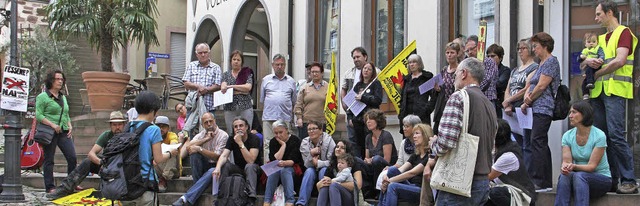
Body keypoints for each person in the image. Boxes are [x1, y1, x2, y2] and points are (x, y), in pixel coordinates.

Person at [584, 1, 638, 194]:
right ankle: (614, 180)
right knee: (603, 138)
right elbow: (585, 65)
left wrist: (597, 73)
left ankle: (629, 180)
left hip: (615, 90)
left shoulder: (624, 33)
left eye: (599, 14)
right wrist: (587, 61)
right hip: (599, 91)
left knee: (615, 135)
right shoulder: (600, 38)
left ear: (609, 13)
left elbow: (620, 60)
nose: (596, 18)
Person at [428, 57, 498, 205]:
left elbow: (446, 142)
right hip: (483, 181)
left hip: (458, 183)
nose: (454, 79)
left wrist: (434, 144)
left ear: (464, 73)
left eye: (456, 75)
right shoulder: (489, 104)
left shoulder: (459, 97)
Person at [45, 111, 127, 199]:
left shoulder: (129, 135)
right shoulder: (106, 135)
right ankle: (64, 189)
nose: (117, 127)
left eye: (119, 124)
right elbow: (91, 154)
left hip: (124, 168)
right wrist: (101, 163)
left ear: (124, 125)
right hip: (107, 166)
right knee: (87, 162)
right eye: (114, 125)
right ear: (110, 125)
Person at [122, 91, 178, 205]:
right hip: (145, 182)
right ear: (153, 110)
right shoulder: (153, 129)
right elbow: (158, 158)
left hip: (126, 182)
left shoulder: (128, 126)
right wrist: (171, 153)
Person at [521, 32, 561, 192]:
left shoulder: (551, 61)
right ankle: (542, 179)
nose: (534, 50)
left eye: (536, 46)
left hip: (543, 108)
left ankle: (541, 181)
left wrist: (528, 100)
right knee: (537, 142)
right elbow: (531, 84)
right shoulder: (541, 63)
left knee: (537, 141)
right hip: (534, 108)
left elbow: (542, 85)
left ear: (545, 46)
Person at [554, 101, 612, 206]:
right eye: (570, 112)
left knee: (579, 176)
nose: (570, 116)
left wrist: (574, 166)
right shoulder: (567, 136)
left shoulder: (599, 135)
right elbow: (566, 161)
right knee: (564, 176)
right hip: (578, 181)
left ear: (584, 114)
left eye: (574, 112)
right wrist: (565, 167)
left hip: (601, 180)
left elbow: (591, 167)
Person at [173, 112, 228, 206]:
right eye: (206, 122)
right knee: (194, 154)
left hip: (219, 167)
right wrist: (205, 139)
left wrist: (199, 148)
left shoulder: (223, 135)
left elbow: (217, 156)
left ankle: (186, 197)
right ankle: (197, 188)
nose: (209, 124)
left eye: (211, 121)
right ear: (202, 125)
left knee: (210, 168)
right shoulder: (202, 134)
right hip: (205, 166)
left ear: (215, 121)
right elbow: (188, 147)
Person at [37, 70, 76, 194]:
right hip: (49, 132)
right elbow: (38, 115)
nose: (60, 81)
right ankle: (50, 187)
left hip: (64, 131)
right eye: (57, 79)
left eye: (61, 79)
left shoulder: (62, 97)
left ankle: (70, 184)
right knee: (49, 159)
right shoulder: (43, 97)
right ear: (51, 81)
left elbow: (65, 113)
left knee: (72, 157)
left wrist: (69, 125)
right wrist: (52, 125)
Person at [379, 124, 433, 206]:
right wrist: (386, 177)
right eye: (414, 134)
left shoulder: (429, 156)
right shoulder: (415, 155)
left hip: (420, 190)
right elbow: (400, 170)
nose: (414, 136)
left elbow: (412, 173)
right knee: (392, 171)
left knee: (392, 186)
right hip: (410, 185)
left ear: (425, 135)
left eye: (417, 133)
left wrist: (390, 181)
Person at [486, 119, 536, 206]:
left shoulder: (508, 156)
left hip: (524, 198)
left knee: (494, 193)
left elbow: (488, 176)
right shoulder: (497, 151)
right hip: (509, 194)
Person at [212, 117, 261, 199]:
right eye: (235, 126)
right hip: (239, 169)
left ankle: (251, 196)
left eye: (241, 126)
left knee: (249, 166)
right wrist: (217, 168)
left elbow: (251, 160)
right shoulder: (231, 139)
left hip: (254, 170)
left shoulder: (254, 138)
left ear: (246, 127)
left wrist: (240, 143)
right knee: (225, 165)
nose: (238, 128)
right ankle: (221, 194)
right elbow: (224, 156)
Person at [261, 54, 297, 164]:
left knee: (285, 142)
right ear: (272, 65)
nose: (279, 67)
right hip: (269, 117)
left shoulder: (291, 81)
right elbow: (262, 99)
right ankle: (268, 171)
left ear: (285, 65)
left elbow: (294, 100)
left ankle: (284, 166)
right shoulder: (266, 80)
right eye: (277, 65)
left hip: (284, 118)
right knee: (268, 144)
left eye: (282, 64)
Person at [502, 38, 538, 147]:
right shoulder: (515, 70)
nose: (520, 51)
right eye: (519, 48)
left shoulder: (534, 67)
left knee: (527, 142)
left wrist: (509, 100)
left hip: (523, 109)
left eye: (524, 48)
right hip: (511, 110)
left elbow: (526, 88)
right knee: (515, 142)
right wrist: (507, 103)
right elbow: (508, 88)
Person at [263, 120, 303, 206]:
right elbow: (274, 160)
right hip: (277, 168)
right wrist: (283, 145)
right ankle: (267, 201)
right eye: (276, 133)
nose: (278, 135)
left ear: (287, 130)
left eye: (281, 132)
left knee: (285, 170)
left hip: (292, 169)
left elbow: (293, 161)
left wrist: (283, 163)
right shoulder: (273, 141)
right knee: (274, 171)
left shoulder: (295, 140)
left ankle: (290, 201)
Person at [296, 121, 336, 206]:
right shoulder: (304, 142)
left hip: (326, 168)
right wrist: (311, 153)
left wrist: (319, 163)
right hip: (311, 168)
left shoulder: (329, 140)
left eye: (314, 128)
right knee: (309, 172)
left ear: (321, 131)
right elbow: (306, 165)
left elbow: (332, 162)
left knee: (323, 171)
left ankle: (324, 202)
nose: (311, 131)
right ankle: (301, 203)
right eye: (309, 129)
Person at [316, 139, 365, 206]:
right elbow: (324, 184)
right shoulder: (332, 165)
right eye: (337, 147)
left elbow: (358, 186)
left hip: (351, 197)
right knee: (324, 187)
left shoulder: (354, 163)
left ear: (347, 151)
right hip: (334, 196)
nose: (338, 149)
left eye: (342, 148)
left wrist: (337, 183)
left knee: (334, 186)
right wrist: (319, 184)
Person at [349, 61, 383, 158]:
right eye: (364, 68)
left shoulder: (376, 84)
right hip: (358, 120)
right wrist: (350, 117)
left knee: (369, 144)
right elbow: (350, 103)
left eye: (369, 69)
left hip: (370, 120)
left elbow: (377, 100)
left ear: (373, 72)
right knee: (358, 145)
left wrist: (363, 98)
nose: (366, 71)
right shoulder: (358, 85)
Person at [341, 47, 369, 154]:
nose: (356, 59)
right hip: (352, 111)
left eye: (358, 57)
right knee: (353, 140)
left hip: (367, 111)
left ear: (365, 57)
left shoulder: (374, 71)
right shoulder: (349, 73)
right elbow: (343, 89)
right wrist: (344, 104)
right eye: (354, 58)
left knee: (368, 139)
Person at [363, 109, 397, 196]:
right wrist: (368, 160)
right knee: (357, 161)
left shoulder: (386, 135)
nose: (368, 122)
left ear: (378, 121)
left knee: (377, 159)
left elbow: (387, 159)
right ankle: (366, 190)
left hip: (387, 166)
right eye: (367, 120)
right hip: (372, 165)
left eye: (371, 119)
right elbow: (366, 158)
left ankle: (378, 190)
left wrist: (372, 159)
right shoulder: (368, 137)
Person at [221, 50, 255, 134]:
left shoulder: (246, 73)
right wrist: (241, 91)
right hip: (230, 107)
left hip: (245, 107)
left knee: (246, 131)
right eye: (234, 59)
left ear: (242, 62)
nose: (236, 61)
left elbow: (248, 87)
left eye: (238, 60)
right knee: (231, 132)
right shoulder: (226, 75)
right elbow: (223, 88)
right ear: (231, 61)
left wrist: (232, 86)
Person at [398, 54, 437, 127]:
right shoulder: (407, 79)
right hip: (407, 116)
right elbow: (402, 98)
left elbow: (434, 97)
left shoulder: (426, 78)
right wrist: (401, 113)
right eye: (410, 62)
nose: (411, 64)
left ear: (419, 63)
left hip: (422, 116)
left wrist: (426, 110)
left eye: (414, 62)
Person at [183, 42, 222, 113]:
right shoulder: (191, 66)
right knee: (189, 124)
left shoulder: (216, 68)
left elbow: (218, 85)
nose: (203, 55)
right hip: (192, 107)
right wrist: (198, 87)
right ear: (196, 54)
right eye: (200, 53)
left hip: (209, 107)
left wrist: (206, 90)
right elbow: (186, 83)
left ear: (209, 53)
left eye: (205, 52)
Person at [294, 62, 328, 139]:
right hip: (306, 123)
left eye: (317, 72)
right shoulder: (304, 87)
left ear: (322, 73)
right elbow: (298, 104)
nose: (314, 74)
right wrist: (299, 118)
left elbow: (332, 105)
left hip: (322, 123)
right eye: (312, 72)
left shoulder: (328, 87)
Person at [433, 42, 461, 134]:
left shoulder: (461, 69)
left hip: (455, 106)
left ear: (457, 54)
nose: (449, 55)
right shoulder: (444, 70)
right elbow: (441, 89)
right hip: (442, 106)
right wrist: (438, 89)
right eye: (447, 53)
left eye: (452, 52)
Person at [154, 116, 181, 192]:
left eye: (163, 127)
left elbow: (173, 144)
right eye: (158, 126)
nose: (161, 129)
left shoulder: (171, 135)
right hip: (158, 166)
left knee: (172, 152)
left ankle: (163, 179)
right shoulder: (153, 137)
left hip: (172, 169)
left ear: (168, 128)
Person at [486, 44, 512, 118]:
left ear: (500, 58)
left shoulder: (505, 70)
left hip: (499, 106)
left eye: (493, 56)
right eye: (488, 56)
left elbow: (499, 84)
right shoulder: (485, 70)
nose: (490, 59)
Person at [578, 33, 604, 100]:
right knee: (584, 83)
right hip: (588, 68)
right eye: (589, 42)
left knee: (589, 72)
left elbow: (602, 54)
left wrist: (601, 59)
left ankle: (590, 82)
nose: (591, 43)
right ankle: (585, 94)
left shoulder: (598, 48)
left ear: (597, 42)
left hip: (596, 66)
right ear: (585, 44)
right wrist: (581, 57)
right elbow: (579, 61)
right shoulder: (585, 51)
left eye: (594, 42)